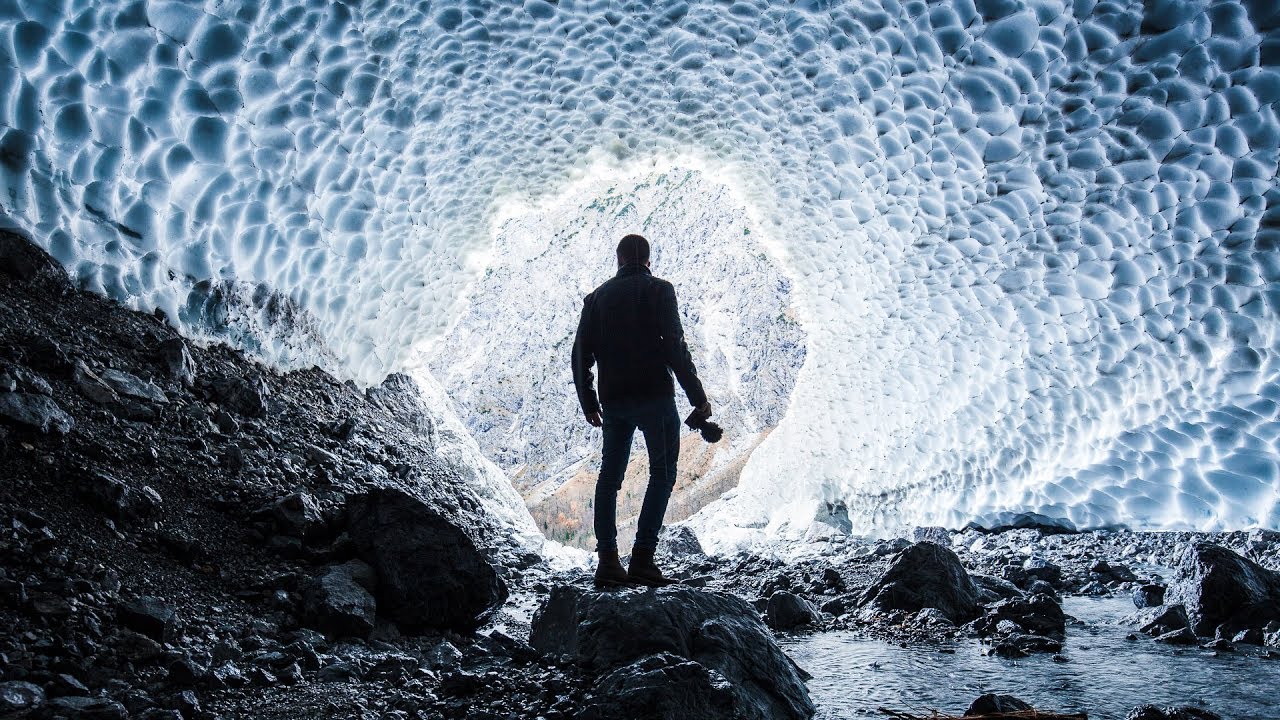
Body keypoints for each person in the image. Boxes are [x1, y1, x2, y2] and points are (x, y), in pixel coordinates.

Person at [571, 233, 712, 588]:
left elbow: (580, 354)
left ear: (618, 261)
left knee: (609, 480)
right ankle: (643, 560)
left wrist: (588, 401)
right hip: (655, 397)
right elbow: (675, 348)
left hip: (614, 400)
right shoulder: (660, 291)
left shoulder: (597, 298)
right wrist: (697, 396)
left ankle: (607, 562)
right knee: (662, 474)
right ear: (648, 261)